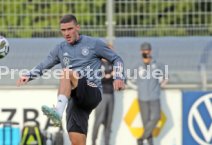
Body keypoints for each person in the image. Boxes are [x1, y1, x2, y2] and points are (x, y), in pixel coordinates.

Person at [16, 14, 125, 145]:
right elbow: (44, 64)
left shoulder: (93, 44)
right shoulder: (60, 49)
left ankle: (58, 111)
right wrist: (28, 75)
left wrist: (118, 76)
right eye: (63, 30)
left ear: (77, 27)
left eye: (70, 29)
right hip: (75, 100)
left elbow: (117, 59)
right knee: (76, 141)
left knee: (66, 72)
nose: (66, 33)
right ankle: (60, 111)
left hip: (92, 91)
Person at [128, 42, 168, 145]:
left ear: (150, 51)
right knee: (146, 123)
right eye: (144, 50)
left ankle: (141, 138)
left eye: (147, 50)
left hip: (155, 97)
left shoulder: (156, 64)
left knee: (156, 117)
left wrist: (161, 85)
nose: (146, 52)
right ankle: (150, 143)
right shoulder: (137, 65)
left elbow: (165, 76)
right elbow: (128, 79)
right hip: (143, 98)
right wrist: (137, 88)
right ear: (141, 52)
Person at [92, 44, 115, 145]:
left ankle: (107, 142)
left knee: (108, 122)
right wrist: (109, 75)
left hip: (111, 95)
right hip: (101, 95)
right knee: (98, 121)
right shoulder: (98, 64)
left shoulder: (113, 64)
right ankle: (93, 142)